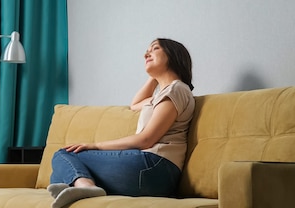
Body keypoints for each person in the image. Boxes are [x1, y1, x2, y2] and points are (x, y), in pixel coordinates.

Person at [48, 38, 196, 208]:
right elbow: (134, 105)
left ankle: (86, 186)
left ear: (173, 56)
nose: (146, 54)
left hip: (155, 166)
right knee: (59, 173)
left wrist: (95, 145)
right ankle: (86, 187)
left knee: (64, 155)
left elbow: (146, 140)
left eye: (154, 48)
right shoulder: (160, 96)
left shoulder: (176, 89)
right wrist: (155, 76)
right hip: (153, 173)